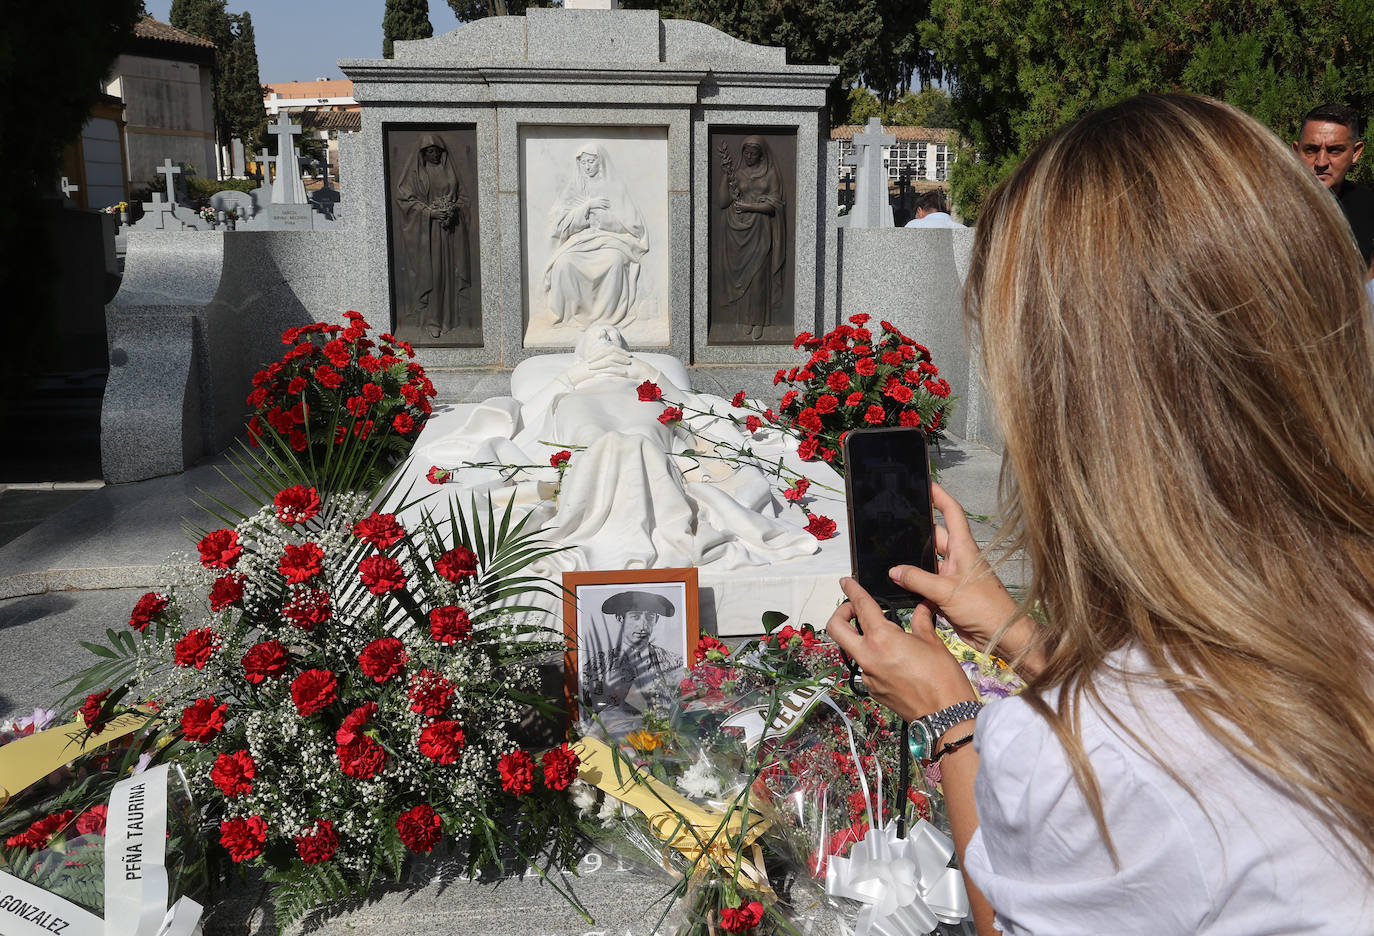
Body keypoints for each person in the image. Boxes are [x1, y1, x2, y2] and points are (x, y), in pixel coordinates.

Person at [829, 94, 1374, 935]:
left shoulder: (1076, 765)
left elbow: (1018, 909)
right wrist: (1016, 633)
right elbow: (1213, 703)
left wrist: (950, 717)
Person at [544, 143, 649, 328]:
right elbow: (559, 226)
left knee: (614, 261)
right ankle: (571, 315)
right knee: (563, 264)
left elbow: (633, 225)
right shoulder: (574, 189)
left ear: (600, 162)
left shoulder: (614, 187)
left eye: (591, 161)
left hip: (610, 241)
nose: (587, 166)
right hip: (581, 240)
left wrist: (605, 221)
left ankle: (606, 317)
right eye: (584, 162)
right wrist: (586, 208)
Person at [395, 134, 472, 338]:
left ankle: (449, 318)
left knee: (448, 275)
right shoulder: (416, 174)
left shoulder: (449, 171)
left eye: (437, 151)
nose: (434, 154)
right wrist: (429, 212)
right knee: (434, 274)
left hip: (449, 233)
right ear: (423, 153)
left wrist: (453, 209)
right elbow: (404, 199)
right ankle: (431, 319)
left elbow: (463, 197)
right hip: (426, 234)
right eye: (430, 151)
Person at [717, 136, 787, 340]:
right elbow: (723, 202)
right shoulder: (737, 173)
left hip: (761, 230)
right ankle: (745, 319)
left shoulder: (770, 174)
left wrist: (749, 206)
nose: (748, 156)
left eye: (753, 153)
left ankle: (760, 321)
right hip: (737, 232)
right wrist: (726, 175)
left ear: (761, 154)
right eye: (745, 153)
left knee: (758, 278)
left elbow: (775, 204)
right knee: (743, 280)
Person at [582, 590, 685, 726]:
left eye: (649, 617)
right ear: (620, 618)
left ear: (656, 620)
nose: (643, 626)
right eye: (635, 617)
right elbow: (587, 711)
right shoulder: (598, 665)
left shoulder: (674, 662)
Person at [1293, 104, 1374, 274]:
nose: (1321, 162)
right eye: (1311, 150)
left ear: (1355, 153)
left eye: (1334, 150)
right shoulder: (1267, 207)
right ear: (1295, 151)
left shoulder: (1368, 206)